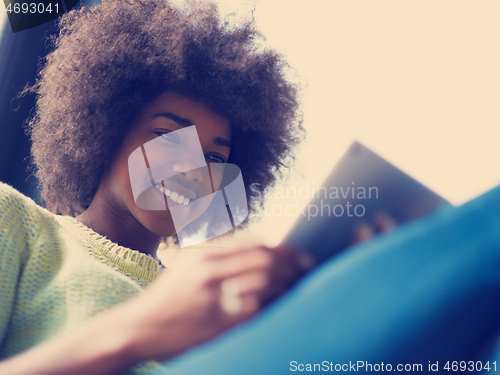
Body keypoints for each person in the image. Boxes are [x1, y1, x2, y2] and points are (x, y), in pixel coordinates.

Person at [0, 1, 313, 374]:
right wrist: (141, 328)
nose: (192, 170)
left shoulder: (216, 308)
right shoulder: (17, 222)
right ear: (105, 134)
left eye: (214, 159)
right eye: (168, 135)